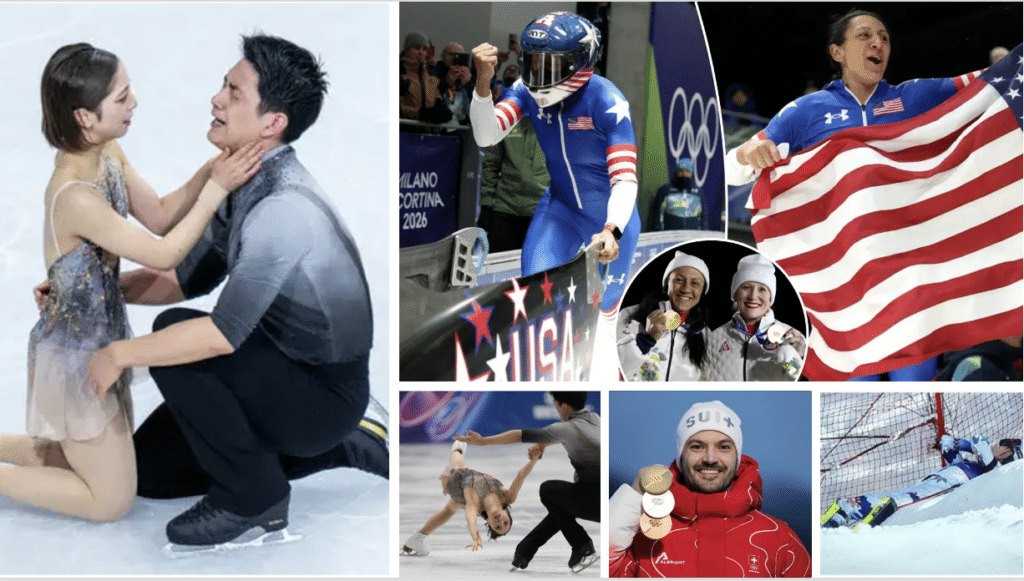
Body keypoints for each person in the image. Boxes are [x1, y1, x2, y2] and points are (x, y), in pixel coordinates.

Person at [71, 34, 379, 550]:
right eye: (223, 85)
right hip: (276, 366)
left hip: (321, 395)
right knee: (151, 473)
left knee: (177, 335)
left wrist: (117, 355)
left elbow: (221, 336)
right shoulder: (246, 179)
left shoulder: (282, 209)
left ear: (272, 123)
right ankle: (326, 451)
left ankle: (255, 496)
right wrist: (94, 290)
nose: (216, 99)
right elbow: (184, 278)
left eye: (234, 93)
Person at [0, 43, 262, 523]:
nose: (134, 101)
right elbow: (164, 253)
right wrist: (218, 187)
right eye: (121, 97)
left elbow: (160, 216)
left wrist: (213, 167)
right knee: (110, 501)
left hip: (100, 335)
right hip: (74, 357)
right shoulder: (75, 196)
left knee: (90, 466)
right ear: (85, 116)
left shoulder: (104, 151)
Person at [725, 9, 981, 381]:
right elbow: (733, 169)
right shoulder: (807, 111)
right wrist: (749, 153)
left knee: (913, 394)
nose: (878, 43)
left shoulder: (914, 96)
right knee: (852, 398)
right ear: (837, 52)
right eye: (865, 36)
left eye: (884, 38)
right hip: (841, 291)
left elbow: (989, 88)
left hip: (907, 281)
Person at [470, 12, 641, 379]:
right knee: (535, 297)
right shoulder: (524, 91)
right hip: (560, 211)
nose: (538, 74)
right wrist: (483, 84)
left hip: (610, 221)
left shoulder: (607, 100)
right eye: (532, 61)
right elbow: (486, 135)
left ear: (580, 62)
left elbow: (625, 179)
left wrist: (612, 229)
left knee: (607, 313)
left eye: (550, 64)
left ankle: (601, 381)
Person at [609, 400, 811, 577]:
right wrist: (633, 497)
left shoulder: (778, 538)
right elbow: (605, 567)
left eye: (724, 447)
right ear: (680, 456)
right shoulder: (644, 534)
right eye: (697, 446)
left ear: (737, 456)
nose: (710, 458)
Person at [453, 392, 600, 573]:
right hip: (604, 497)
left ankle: (583, 546)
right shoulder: (594, 419)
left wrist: (483, 441)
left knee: (548, 491)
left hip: (595, 500)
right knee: (560, 507)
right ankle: (524, 552)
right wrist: (542, 444)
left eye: (555, 404)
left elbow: (519, 435)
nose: (555, 408)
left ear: (565, 406)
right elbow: (569, 435)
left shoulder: (565, 428)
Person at [822, 435, 1023, 528]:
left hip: (940, 489)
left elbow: (981, 444)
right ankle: (844, 509)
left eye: (1003, 447)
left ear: (1007, 454)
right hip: (928, 483)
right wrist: (969, 447)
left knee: (894, 501)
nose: (998, 446)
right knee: (892, 496)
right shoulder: (973, 465)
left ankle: (853, 523)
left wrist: (980, 448)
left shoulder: (991, 470)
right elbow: (946, 443)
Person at [401, 441, 540, 555]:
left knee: (456, 467)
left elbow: (471, 520)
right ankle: (417, 538)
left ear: (488, 522)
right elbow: (521, 476)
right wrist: (533, 461)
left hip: (455, 482)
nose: (500, 522)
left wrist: (475, 537)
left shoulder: (475, 504)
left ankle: (457, 450)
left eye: (497, 527)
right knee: (448, 511)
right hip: (467, 484)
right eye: (506, 522)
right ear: (507, 513)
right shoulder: (508, 497)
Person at [704, 254, 806, 381]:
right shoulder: (713, 338)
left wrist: (793, 360)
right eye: (746, 287)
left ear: (770, 298)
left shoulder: (793, 337)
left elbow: (803, 380)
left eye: (762, 289)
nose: (753, 296)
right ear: (735, 294)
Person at [617, 251, 710, 381]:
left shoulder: (704, 334)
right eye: (679, 280)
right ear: (667, 284)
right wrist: (645, 339)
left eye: (695, 283)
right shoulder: (630, 315)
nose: (686, 289)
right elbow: (613, 368)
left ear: (702, 291)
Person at [477, 115, 549, 252]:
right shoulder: (505, 120)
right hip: (504, 209)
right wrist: (486, 203)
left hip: (541, 212)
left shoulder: (556, 122)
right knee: (499, 264)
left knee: (535, 265)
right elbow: (491, 164)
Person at [400, 31, 448, 123]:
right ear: (407, 50)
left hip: (428, 130)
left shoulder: (431, 77)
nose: (421, 52)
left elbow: (437, 101)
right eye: (417, 48)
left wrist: (441, 111)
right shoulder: (399, 73)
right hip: (404, 129)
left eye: (425, 49)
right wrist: (420, 114)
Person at [649, 157, 706, 231]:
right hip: (669, 235)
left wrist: (703, 233)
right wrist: (658, 231)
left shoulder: (698, 193)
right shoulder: (665, 190)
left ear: (691, 173)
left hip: (692, 235)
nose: (684, 174)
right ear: (676, 173)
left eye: (687, 171)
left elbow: (703, 216)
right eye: (681, 171)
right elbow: (658, 214)